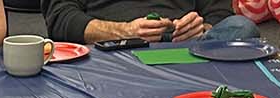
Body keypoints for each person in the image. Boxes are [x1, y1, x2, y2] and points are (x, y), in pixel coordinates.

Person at [39, 0, 258, 47]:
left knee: (242, 27)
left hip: (187, 45)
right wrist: (124, 31)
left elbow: (218, 11)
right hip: (113, 49)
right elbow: (60, 17)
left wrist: (202, 28)